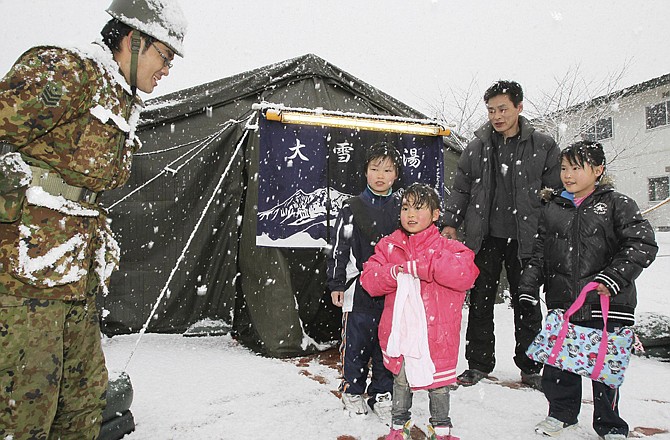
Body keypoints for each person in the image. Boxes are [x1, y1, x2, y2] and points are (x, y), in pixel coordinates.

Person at [0, 1, 186, 438]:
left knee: (83, 404)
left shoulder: (122, 98)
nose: (167, 69)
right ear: (132, 39)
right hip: (23, 281)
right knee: (24, 411)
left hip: (73, 275)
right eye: (165, 55)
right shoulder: (67, 69)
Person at [519, 141, 658, 439]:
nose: (567, 175)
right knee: (560, 363)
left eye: (576, 168)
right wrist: (529, 286)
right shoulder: (553, 208)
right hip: (563, 301)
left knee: (604, 367)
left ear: (598, 170)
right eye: (564, 168)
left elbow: (642, 243)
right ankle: (561, 413)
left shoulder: (616, 204)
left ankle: (610, 423)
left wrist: (614, 277)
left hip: (607, 302)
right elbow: (540, 252)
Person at [441, 80, 561, 390]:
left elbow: (556, 193)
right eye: (492, 110)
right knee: (480, 300)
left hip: (526, 238)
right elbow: (461, 186)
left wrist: (551, 229)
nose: (497, 116)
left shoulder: (544, 146)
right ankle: (478, 364)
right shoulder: (478, 145)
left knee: (528, 301)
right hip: (485, 236)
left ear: (519, 108)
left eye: (503, 109)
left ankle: (531, 365)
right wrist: (451, 221)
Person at [360, 183, 479, 440]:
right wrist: (394, 272)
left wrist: (425, 267)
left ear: (436, 214)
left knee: (439, 387)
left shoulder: (448, 248)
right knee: (401, 383)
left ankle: (442, 430)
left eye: (418, 208)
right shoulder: (389, 246)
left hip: (438, 336)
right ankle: (399, 427)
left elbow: (466, 274)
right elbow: (369, 279)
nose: (410, 215)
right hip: (402, 334)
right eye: (405, 208)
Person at [326, 142, 403, 421]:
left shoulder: (402, 208)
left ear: (396, 174)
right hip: (357, 286)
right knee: (356, 343)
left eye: (387, 169)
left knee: (388, 343)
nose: (380, 175)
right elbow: (339, 246)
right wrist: (336, 284)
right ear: (365, 172)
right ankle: (352, 390)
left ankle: (382, 391)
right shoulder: (351, 207)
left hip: (393, 288)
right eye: (374, 169)